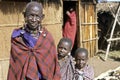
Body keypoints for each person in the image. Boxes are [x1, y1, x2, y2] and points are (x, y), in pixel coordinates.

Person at [7, 1, 61, 80]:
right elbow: (15, 66)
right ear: (25, 15)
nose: (34, 19)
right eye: (31, 15)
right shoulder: (17, 37)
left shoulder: (47, 38)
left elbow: (52, 65)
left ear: (42, 17)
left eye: (37, 16)